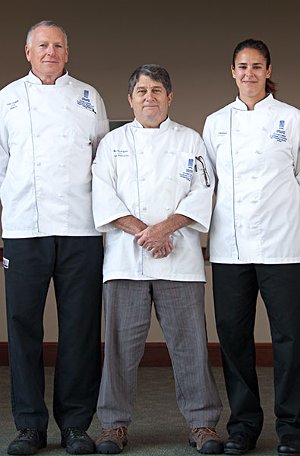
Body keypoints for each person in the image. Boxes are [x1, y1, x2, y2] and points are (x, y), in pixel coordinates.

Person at [91, 63, 223, 455]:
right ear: (130, 99)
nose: (150, 97)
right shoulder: (112, 143)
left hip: (179, 260)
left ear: (170, 97)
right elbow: (103, 196)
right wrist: (147, 234)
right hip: (124, 261)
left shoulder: (191, 141)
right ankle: (113, 426)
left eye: (157, 90)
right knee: (119, 347)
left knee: (191, 346)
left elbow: (203, 192)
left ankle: (203, 424)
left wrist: (166, 230)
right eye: (142, 91)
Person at [0, 20, 109, 455]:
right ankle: (29, 425)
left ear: (68, 52)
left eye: (58, 45)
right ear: (27, 51)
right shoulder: (7, 98)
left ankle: (76, 425)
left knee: (80, 328)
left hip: (81, 228)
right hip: (25, 227)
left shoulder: (88, 97)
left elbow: (103, 163)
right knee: (23, 327)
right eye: (42, 45)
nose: (51, 52)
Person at [203, 38, 300, 456]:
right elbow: (204, 183)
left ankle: (293, 430)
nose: (249, 74)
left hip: (283, 247)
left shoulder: (292, 119)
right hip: (230, 249)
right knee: (234, 337)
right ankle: (242, 427)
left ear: (267, 70)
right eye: (242, 66)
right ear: (232, 71)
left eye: (256, 66)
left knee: (290, 339)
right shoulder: (215, 122)